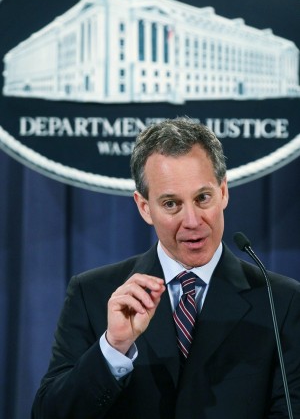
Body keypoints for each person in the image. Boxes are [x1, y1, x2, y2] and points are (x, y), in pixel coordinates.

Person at [32, 117, 300, 419]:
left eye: (203, 198)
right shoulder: (93, 293)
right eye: (171, 204)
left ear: (223, 192)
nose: (192, 220)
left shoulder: (281, 301)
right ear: (145, 207)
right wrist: (113, 347)